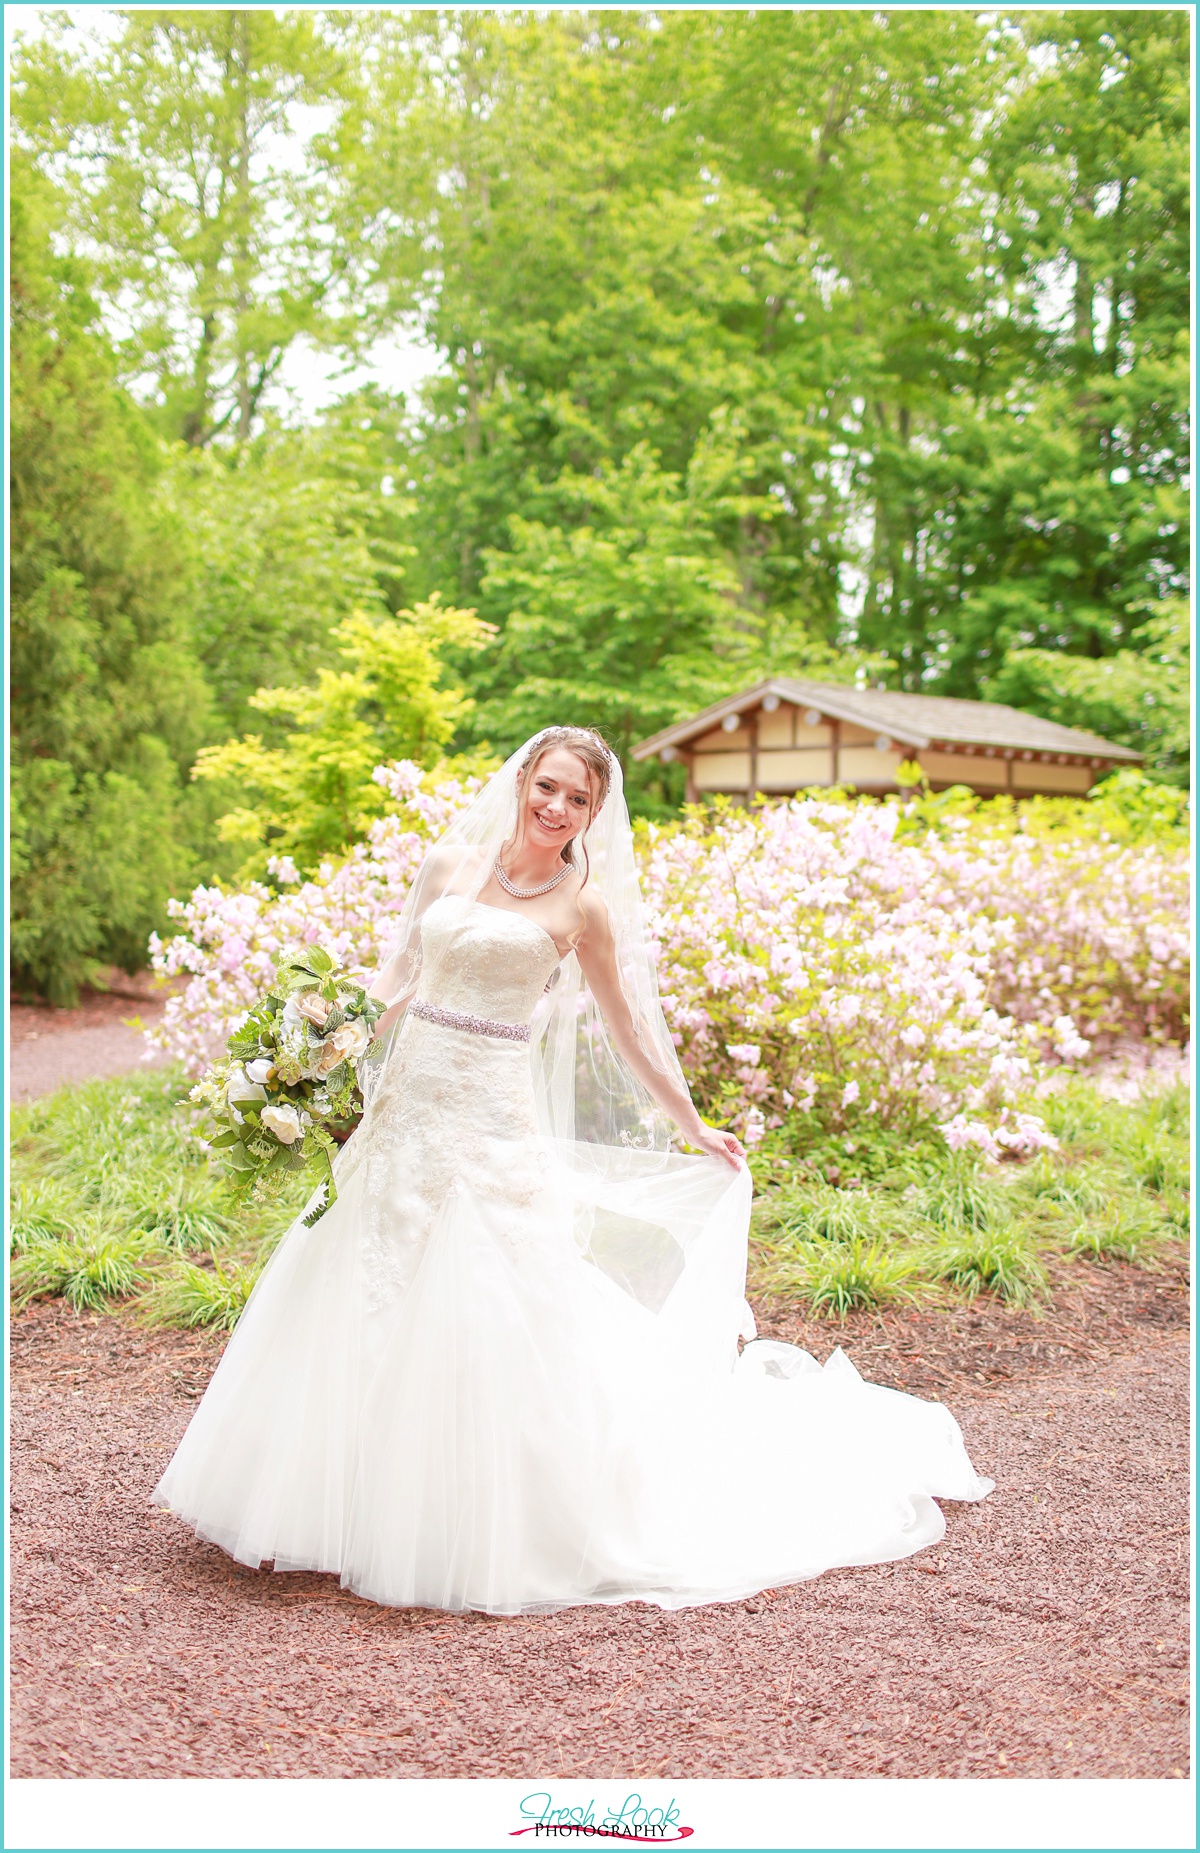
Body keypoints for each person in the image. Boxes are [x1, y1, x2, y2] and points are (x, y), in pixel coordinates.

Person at [154, 726, 991, 1614]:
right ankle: (331, 1500)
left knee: (484, 1300)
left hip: (490, 1124)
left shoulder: (581, 906)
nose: (556, 808)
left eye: (577, 800)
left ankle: (471, 1516)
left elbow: (627, 1028)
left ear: (594, 812)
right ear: (522, 782)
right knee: (360, 1284)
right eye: (546, 788)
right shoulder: (448, 865)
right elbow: (397, 975)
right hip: (405, 1113)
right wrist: (312, 1050)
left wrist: (695, 1122)